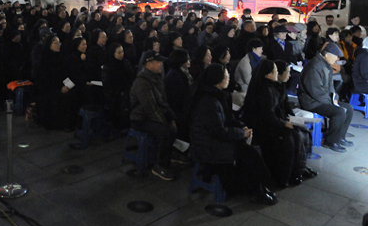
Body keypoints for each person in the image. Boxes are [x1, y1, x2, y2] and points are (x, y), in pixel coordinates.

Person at [188, 63, 277, 205]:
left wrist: (242, 127)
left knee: (251, 150)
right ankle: (256, 189)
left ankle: (259, 187)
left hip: (215, 139)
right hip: (207, 145)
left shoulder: (218, 96)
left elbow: (228, 120)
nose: (229, 79)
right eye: (226, 77)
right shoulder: (208, 101)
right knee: (250, 153)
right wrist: (242, 133)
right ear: (218, 80)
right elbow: (219, 131)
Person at [129, 50, 177, 180]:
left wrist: (171, 117)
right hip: (140, 118)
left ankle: (167, 156)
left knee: (174, 125)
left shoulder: (157, 77)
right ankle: (159, 165)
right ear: (149, 63)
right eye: (158, 62)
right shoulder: (142, 81)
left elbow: (162, 102)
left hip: (152, 114)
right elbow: (150, 107)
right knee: (166, 132)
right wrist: (164, 121)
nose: (161, 65)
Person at [298, 42, 354, 153]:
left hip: (322, 99)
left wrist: (335, 97)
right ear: (327, 55)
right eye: (335, 56)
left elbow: (330, 86)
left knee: (349, 108)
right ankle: (330, 141)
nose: (337, 59)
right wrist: (331, 102)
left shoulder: (325, 64)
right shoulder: (314, 67)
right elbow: (315, 91)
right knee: (339, 112)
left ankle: (340, 138)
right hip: (311, 102)